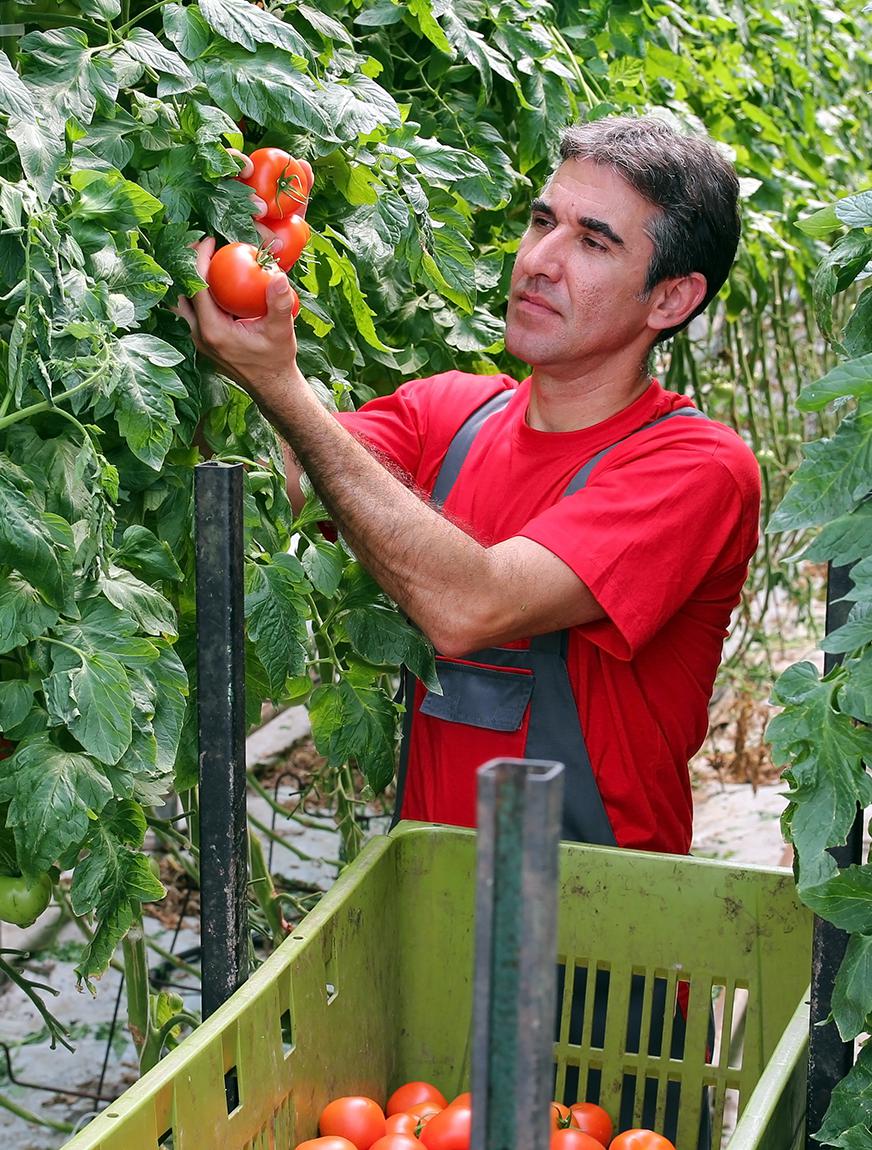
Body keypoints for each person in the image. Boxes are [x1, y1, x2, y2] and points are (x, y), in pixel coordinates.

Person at [177, 113, 761, 856]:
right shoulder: (450, 414)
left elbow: (471, 604)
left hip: (599, 932)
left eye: (592, 241)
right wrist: (218, 292)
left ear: (671, 300)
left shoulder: (694, 467)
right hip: (431, 908)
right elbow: (266, 491)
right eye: (542, 221)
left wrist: (284, 389)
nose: (540, 261)